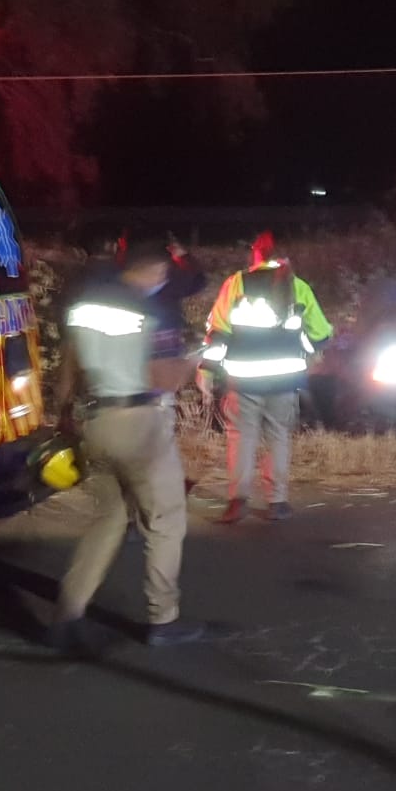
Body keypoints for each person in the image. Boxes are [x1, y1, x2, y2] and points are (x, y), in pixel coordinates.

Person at [47, 241, 206, 653]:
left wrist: (64, 417)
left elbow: (67, 370)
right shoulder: (148, 312)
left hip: (96, 422)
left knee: (108, 520)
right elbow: (163, 375)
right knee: (164, 520)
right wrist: (195, 360)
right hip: (141, 424)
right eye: (161, 276)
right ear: (152, 271)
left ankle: (68, 612)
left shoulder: (84, 307)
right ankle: (163, 619)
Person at [199, 231, 332, 524]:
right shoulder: (298, 287)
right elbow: (321, 333)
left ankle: (238, 501)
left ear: (256, 253)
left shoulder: (236, 284)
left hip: (243, 380)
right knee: (278, 437)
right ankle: (277, 502)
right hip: (285, 379)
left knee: (241, 438)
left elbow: (219, 333)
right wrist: (308, 350)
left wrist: (207, 370)